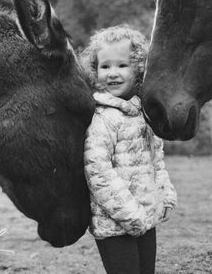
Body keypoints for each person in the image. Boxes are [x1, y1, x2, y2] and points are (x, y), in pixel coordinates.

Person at [80, 25, 177, 274]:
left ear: (138, 68)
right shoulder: (102, 117)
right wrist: (130, 215)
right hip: (115, 223)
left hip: (145, 216)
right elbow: (98, 172)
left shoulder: (142, 113)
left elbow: (156, 159)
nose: (113, 73)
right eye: (105, 66)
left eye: (122, 65)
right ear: (95, 71)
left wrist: (164, 194)